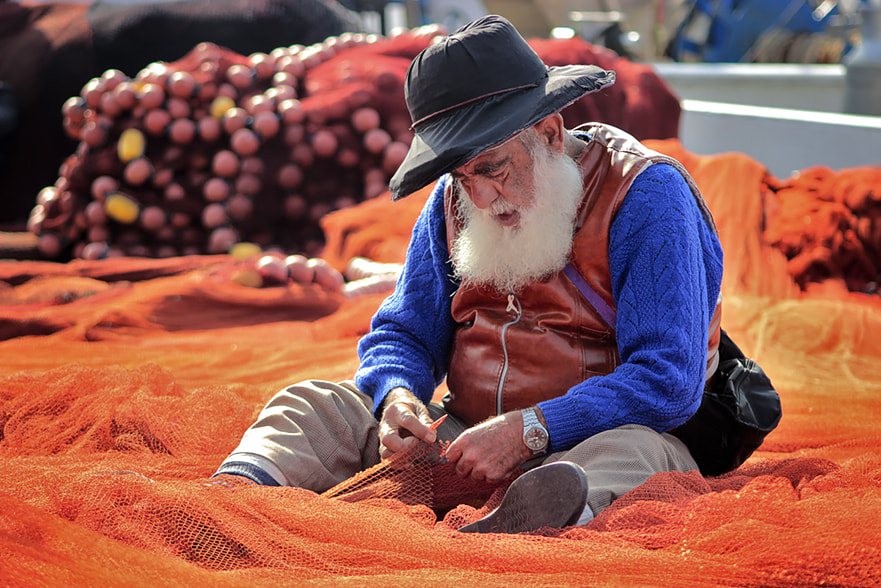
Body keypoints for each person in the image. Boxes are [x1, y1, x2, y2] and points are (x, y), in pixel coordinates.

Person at [214, 14, 724, 534]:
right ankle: (225, 504)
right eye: (461, 175)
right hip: (464, 440)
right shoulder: (452, 203)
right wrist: (398, 399)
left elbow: (667, 380)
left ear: (548, 133)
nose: (479, 197)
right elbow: (403, 334)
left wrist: (532, 429)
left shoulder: (645, 195)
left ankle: (542, 520)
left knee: (635, 456)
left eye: (492, 168)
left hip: (591, 444)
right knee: (314, 405)